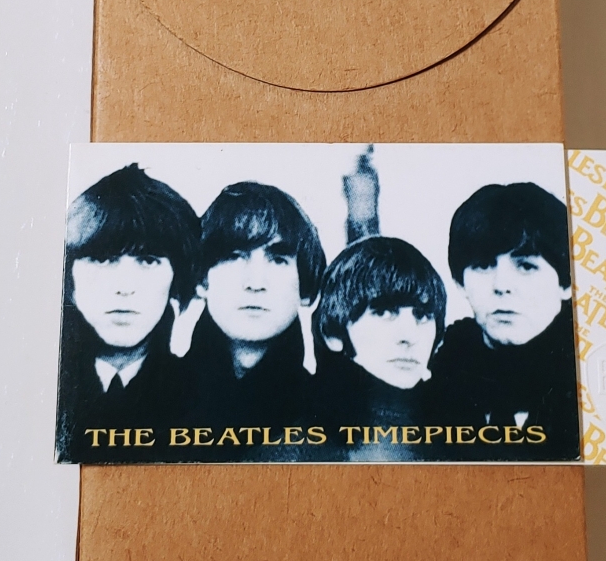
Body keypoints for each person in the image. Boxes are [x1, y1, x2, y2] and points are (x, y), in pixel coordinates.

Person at [55, 163, 199, 463]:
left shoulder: (206, 396)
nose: (124, 288)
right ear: (69, 278)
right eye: (102, 259)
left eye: (148, 261)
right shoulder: (39, 389)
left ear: (177, 279)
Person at [433, 181, 580, 460]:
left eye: (526, 266)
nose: (501, 285)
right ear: (460, 282)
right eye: (483, 265)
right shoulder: (435, 381)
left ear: (566, 283)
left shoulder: (594, 378)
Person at [172, 182, 326, 445]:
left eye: (278, 260)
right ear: (202, 279)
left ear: (304, 287)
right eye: (234, 256)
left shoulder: (331, 415)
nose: (255, 283)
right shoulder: (149, 404)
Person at [312, 236, 446, 457]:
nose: (409, 336)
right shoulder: (296, 447)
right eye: (384, 312)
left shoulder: (455, 438)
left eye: (422, 315)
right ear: (333, 333)